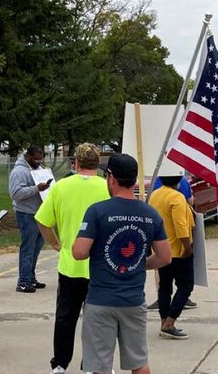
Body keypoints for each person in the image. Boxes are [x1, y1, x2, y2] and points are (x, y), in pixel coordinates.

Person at [72, 153, 171, 374]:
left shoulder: (97, 211)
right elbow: (165, 257)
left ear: (111, 178)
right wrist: (139, 263)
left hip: (101, 300)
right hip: (134, 300)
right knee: (139, 362)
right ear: (134, 180)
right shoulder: (151, 214)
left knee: (99, 366)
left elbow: (79, 252)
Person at [35, 143, 110, 374]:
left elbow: (42, 220)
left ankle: (59, 363)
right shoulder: (107, 187)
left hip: (70, 264)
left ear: (75, 162)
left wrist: (56, 243)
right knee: (96, 319)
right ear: (98, 164)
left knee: (66, 317)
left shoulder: (61, 187)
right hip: (100, 266)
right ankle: (91, 364)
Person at [149, 175, 195, 339]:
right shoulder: (177, 197)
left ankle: (163, 321)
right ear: (178, 181)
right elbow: (181, 226)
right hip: (177, 250)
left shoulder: (155, 195)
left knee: (165, 287)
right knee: (186, 285)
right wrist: (187, 248)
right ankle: (170, 323)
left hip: (160, 249)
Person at [9, 145, 50, 293]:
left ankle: (31, 278)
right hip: (26, 214)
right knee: (28, 248)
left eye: (41, 159)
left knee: (36, 248)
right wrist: (36, 189)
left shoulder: (39, 170)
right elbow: (15, 194)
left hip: (40, 214)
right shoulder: (19, 172)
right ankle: (23, 281)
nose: (39, 162)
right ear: (28, 157)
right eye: (36, 159)